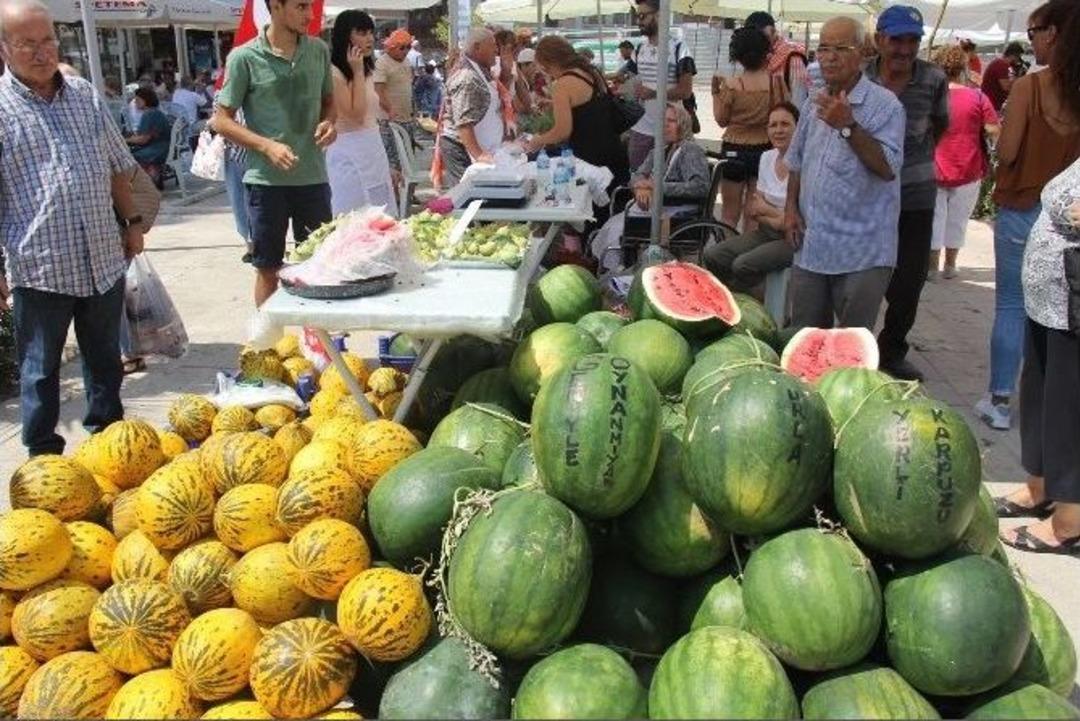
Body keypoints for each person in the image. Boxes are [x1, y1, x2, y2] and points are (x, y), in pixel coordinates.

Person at [0, 0, 144, 455]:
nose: (42, 52)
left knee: (106, 361)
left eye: (47, 40)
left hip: (101, 253)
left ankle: (110, 446)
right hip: (39, 265)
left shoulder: (82, 94)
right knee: (40, 369)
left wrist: (131, 222)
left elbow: (117, 165)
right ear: (5, 48)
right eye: (27, 44)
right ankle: (43, 458)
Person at [976, 0, 1080, 430]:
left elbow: (1010, 149)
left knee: (1012, 306)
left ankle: (1000, 401)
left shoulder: (1029, 88)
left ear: (1053, 33)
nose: (1031, 39)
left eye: (1035, 31)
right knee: (1062, 315)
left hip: (1023, 209)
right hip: (1070, 219)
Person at [783, 16, 905, 331]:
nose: (829, 57)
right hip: (813, 245)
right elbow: (797, 159)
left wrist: (848, 125)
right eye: (823, 48)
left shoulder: (886, 105)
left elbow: (888, 168)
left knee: (852, 346)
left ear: (862, 53)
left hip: (862, 252)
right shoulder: (813, 101)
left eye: (840, 48)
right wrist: (790, 208)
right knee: (806, 335)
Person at [213, 0, 337, 307]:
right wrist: (266, 145)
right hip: (266, 183)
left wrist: (329, 123)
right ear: (276, 7)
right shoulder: (244, 57)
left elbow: (329, 102)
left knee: (319, 267)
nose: (310, 15)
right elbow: (221, 120)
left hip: (313, 177)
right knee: (268, 268)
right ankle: (268, 347)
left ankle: (319, 347)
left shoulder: (318, 51)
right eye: (301, 6)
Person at [866, 5, 950, 382]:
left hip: (915, 195)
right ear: (879, 39)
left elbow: (940, 125)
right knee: (862, 275)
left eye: (912, 40)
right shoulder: (862, 76)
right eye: (897, 39)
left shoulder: (933, 79)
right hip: (866, 195)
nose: (904, 48)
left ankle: (892, 348)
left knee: (909, 280)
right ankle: (855, 344)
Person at [590, 103, 709, 271]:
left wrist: (656, 186)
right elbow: (638, 175)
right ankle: (618, 268)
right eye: (663, 121)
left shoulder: (690, 150)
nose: (666, 125)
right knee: (613, 226)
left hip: (678, 213)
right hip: (656, 207)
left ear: (683, 125)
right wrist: (640, 189)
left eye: (672, 121)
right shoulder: (659, 150)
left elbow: (700, 187)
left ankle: (620, 269)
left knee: (619, 228)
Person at [704, 102, 798, 292]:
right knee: (713, 255)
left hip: (793, 239)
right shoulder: (767, 158)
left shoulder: (804, 162)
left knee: (742, 265)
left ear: (798, 128)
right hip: (767, 231)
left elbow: (793, 222)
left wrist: (770, 212)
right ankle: (740, 299)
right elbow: (754, 210)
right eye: (773, 125)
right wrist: (779, 218)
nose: (778, 130)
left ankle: (750, 305)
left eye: (785, 124)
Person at [523, 35, 630, 199]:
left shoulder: (563, 84)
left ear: (549, 62)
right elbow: (588, 105)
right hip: (613, 152)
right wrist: (555, 104)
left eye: (543, 68)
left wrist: (538, 140)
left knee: (592, 216)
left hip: (592, 160)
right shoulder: (590, 71)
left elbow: (562, 131)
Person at [928, 45, 1000, 280]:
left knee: (935, 217)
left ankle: (931, 267)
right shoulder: (977, 97)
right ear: (963, 67)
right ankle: (950, 265)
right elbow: (993, 129)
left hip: (934, 165)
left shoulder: (930, 96)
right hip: (969, 165)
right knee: (958, 220)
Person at [712, 26, 785, 230]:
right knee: (754, 213)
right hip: (764, 149)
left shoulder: (732, 85)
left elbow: (721, 120)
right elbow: (782, 113)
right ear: (765, 53)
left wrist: (714, 94)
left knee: (729, 214)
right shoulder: (776, 84)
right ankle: (745, 256)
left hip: (733, 150)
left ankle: (726, 256)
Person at [326, 10, 395, 216]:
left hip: (372, 146)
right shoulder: (335, 72)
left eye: (371, 33)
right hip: (348, 150)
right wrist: (356, 71)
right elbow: (355, 115)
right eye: (362, 33)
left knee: (381, 213)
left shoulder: (367, 68)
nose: (369, 39)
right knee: (353, 216)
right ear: (346, 35)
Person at [626, 0, 695, 169]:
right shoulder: (639, 48)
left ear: (659, 15)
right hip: (641, 128)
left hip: (672, 129)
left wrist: (653, 93)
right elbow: (630, 79)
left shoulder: (679, 47)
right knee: (638, 180)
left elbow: (685, 91)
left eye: (643, 16)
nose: (638, 21)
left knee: (671, 182)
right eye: (637, 16)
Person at [434, 28, 503, 188]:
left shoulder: (480, 70)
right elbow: (464, 123)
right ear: (477, 47)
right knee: (465, 199)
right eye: (492, 45)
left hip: (476, 147)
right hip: (460, 148)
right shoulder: (467, 77)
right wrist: (479, 155)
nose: (496, 50)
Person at [744, 11, 808, 106]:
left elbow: (798, 102)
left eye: (763, 37)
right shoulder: (756, 57)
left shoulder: (792, 58)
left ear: (773, 31)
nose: (758, 41)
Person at [126, 88, 173, 177]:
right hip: (164, 147)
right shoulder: (157, 112)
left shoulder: (149, 114)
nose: (135, 102)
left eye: (138, 100)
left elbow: (143, 139)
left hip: (158, 150)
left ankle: (144, 182)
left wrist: (126, 140)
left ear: (146, 100)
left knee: (128, 156)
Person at [375, 28, 415, 123]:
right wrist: (389, 110)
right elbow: (378, 92)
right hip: (389, 120)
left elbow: (408, 87)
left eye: (408, 47)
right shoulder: (382, 63)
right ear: (391, 47)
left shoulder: (407, 61)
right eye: (401, 48)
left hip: (406, 118)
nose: (406, 51)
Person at [980, 41, 1026, 112]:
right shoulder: (1001, 64)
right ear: (1013, 55)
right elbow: (1006, 87)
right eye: (1018, 57)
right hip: (991, 106)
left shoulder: (1002, 64)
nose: (1018, 60)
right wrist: (1020, 78)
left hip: (991, 104)